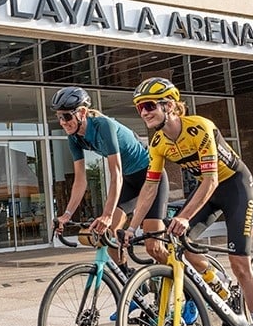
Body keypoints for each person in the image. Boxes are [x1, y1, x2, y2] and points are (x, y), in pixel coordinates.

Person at [124, 76, 253, 326]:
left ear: (170, 105)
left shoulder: (200, 127)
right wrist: (132, 227)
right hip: (206, 192)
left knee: (240, 264)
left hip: (234, 188)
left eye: (149, 106)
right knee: (178, 242)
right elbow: (150, 187)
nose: (143, 113)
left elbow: (211, 179)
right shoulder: (158, 142)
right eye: (139, 108)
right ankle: (217, 287)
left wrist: (183, 215)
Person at [50, 86, 169, 269]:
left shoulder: (104, 125)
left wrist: (107, 214)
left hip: (151, 177)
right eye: (59, 117)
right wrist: (66, 215)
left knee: (153, 247)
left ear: (82, 112)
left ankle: (182, 280)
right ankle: (131, 283)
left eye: (66, 116)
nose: (62, 122)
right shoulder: (74, 138)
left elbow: (116, 173)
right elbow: (80, 180)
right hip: (130, 181)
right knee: (110, 235)